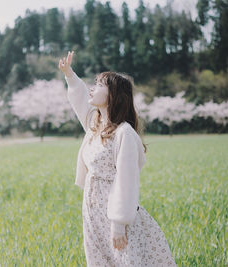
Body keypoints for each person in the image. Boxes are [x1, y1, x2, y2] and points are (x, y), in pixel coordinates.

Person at [58, 51, 177, 266]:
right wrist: (69, 74)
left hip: (116, 212)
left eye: (99, 84)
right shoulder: (94, 126)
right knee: (100, 260)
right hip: (92, 208)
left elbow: (126, 180)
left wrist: (119, 223)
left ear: (113, 94)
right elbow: (79, 99)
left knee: (125, 260)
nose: (92, 88)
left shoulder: (124, 134)